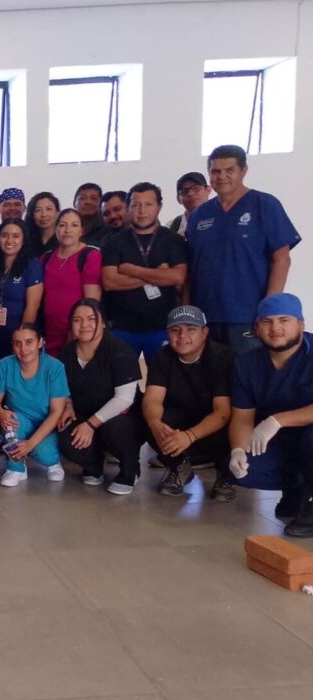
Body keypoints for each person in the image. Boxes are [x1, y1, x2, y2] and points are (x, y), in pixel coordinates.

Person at [187, 145, 301, 355]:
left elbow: (282, 259)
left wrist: (268, 311)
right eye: (215, 171)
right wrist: (188, 313)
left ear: (243, 171)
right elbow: (190, 267)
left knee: (247, 372)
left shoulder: (265, 205)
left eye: (229, 170)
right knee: (211, 374)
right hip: (205, 318)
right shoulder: (199, 215)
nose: (222, 176)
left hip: (247, 317)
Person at [229, 294, 313, 536]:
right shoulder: (247, 364)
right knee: (245, 470)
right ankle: (297, 486)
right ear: (256, 328)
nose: (275, 328)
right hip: (281, 440)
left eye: (284, 320)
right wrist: (237, 450)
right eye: (267, 321)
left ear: (301, 324)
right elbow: (242, 416)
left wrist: (278, 420)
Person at [143, 305, 235, 500]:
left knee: (235, 422)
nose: (182, 336)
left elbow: (222, 412)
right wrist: (155, 424)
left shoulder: (223, 357)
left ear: (204, 333)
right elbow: (152, 399)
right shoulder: (162, 356)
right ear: (167, 333)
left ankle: (225, 474)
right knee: (147, 417)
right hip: (181, 418)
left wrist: (189, 436)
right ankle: (179, 467)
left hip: (213, 422)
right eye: (175, 330)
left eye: (191, 329)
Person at [56, 299, 142, 495]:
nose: (84, 325)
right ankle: (93, 466)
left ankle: (130, 470)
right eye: (77, 320)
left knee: (116, 430)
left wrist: (91, 425)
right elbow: (62, 386)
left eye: (91, 319)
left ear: (102, 322)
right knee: (64, 431)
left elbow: (124, 399)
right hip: (84, 412)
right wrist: (67, 404)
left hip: (122, 418)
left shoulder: (120, 350)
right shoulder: (67, 352)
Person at [101, 182, 189, 360]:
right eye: (136, 205)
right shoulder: (114, 243)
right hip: (122, 327)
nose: (142, 211)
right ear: (128, 208)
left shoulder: (173, 240)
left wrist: (132, 270)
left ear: (159, 206)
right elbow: (109, 282)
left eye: (148, 204)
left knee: (164, 375)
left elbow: (178, 277)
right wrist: (158, 274)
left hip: (163, 326)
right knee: (122, 376)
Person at [0, 324, 69, 487]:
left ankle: (54, 463)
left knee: (44, 453)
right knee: (10, 422)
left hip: (47, 423)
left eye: (29, 342)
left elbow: (56, 412)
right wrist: (0, 411)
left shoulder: (54, 367)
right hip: (21, 420)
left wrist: (31, 443)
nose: (23, 349)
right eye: (17, 343)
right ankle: (15, 467)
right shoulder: (5, 364)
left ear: (40, 342)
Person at [41, 208, 102, 356]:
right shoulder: (46, 258)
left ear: (81, 230)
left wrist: (76, 333)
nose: (68, 230)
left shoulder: (90, 255)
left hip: (78, 332)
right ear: (55, 229)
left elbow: (91, 303)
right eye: (62, 225)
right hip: (49, 332)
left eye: (74, 225)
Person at [0, 219, 43, 359]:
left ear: (24, 240)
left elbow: (33, 305)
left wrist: (21, 338)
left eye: (16, 236)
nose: (9, 240)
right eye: (4, 235)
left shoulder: (32, 265)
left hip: (17, 335)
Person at [168, 172, 211, 237]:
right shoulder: (171, 227)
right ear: (178, 199)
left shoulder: (221, 219)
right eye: (184, 191)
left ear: (208, 190)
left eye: (196, 188)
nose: (190, 193)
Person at [25, 192, 60, 259]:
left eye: (49, 209)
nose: (43, 214)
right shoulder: (26, 240)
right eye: (38, 210)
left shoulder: (64, 240)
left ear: (57, 212)